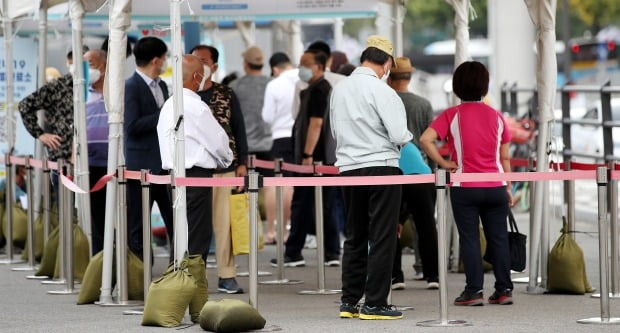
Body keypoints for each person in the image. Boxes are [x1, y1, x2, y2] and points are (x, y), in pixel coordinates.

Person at [331, 35, 412, 320]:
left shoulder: (339, 90)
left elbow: (334, 132)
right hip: (382, 166)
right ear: (387, 63)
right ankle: (376, 302)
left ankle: (349, 301)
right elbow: (399, 134)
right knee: (382, 236)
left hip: (348, 168)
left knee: (354, 235)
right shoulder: (383, 91)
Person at [420, 61, 514, 306]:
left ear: (457, 87)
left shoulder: (451, 115)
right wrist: (508, 186)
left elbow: (426, 139)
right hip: (495, 185)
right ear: (485, 86)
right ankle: (504, 290)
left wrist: (443, 162)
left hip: (465, 186)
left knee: (470, 238)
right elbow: (505, 157)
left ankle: (474, 291)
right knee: (499, 238)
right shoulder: (497, 117)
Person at [157, 54, 233, 263]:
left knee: (181, 236)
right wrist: (226, 160)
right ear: (197, 76)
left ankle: (177, 284)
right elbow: (219, 142)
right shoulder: (195, 107)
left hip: (173, 177)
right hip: (195, 178)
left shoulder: (169, 105)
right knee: (196, 238)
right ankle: (189, 288)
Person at [269, 49, 340, 268]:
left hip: (316, 159)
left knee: (311, 203)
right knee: (314, 203)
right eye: (300, 63)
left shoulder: (321, 89)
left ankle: (301, 251)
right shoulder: (310, 88)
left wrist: (308, 154)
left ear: (319, 66)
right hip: (311, 158)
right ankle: (327, 251)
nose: (301, 68)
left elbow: (316, 124)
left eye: (306, 64)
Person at [190, 44, 248, 294]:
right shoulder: (183, 95)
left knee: (225, 226)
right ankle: (194, 274)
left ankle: (227, 275)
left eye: (203, 60)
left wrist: (243, 163)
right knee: (195, 227)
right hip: (193, 172)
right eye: (193, 60)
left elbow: (239, 128)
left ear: (213, 66)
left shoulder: (226, 93)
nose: (198, 64)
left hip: (225, 170)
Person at [387, 56, 439, 290]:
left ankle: (395, 275)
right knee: (426, 225)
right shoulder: (423, 104)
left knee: (390, 225)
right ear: (409, 77)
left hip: (392, 169)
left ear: (389, 77)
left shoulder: (385, 101)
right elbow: (431, 141)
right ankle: (432, 275)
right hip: (422, 171)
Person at [124, 37, 174, 259]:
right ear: (156, 60)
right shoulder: (130, 87)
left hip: (164, 165)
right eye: (164, 59)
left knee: (174, 219)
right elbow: (132, 126)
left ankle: (179, 267)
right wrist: (163, 115)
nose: (165, 63)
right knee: (138, 223)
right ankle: (138, 271)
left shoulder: (162, 85)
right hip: (140, 168)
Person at [261, 52, 298, 243]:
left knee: (278, 184)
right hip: (299, 137)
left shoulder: (274, 84)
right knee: (294, 185)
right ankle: (288, 230)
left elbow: (267, 116)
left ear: (275, 69)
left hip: (280, 137)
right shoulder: (302, 78)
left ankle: (272, 230)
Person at [84, 49, 108, 254]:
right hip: (91, 165)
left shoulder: (117, 92)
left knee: (124, 215)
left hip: (117, 165)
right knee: (97, 217)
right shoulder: (81, 94)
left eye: (90, 63)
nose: (86, 69)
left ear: (104, 65)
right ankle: (99, 259)